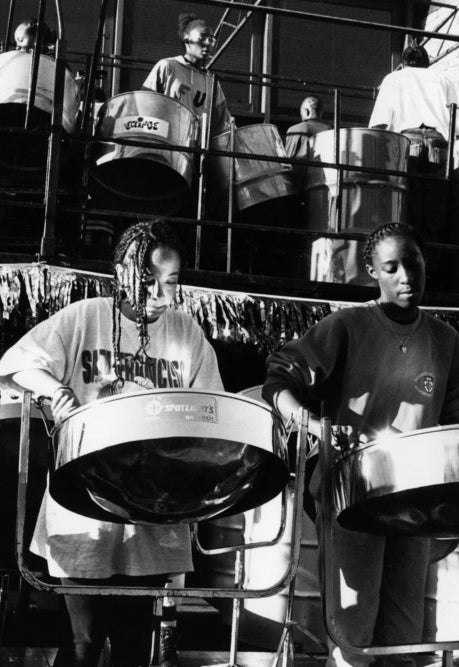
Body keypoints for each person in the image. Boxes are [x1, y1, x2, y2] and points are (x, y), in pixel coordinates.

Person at [0, 219, 224, 667]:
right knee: (83, 645)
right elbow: (19, 363)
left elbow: (210, 408)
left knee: (135, 646)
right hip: (87, 500)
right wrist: (56, 390)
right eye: (149, 281)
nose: (161, 294)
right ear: (121, 272)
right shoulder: (87, 316)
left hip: (153, 507)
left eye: (172, 282)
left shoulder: (187, 332)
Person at [262, 222, 459, 667]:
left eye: (414, 263)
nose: (406, 276)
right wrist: (314, 425)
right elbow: (279, 381)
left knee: (405, 640)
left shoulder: (446, 341)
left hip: (414, 502)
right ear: (373, 271)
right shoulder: (347, 327)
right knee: (354, 637)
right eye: (391, 267)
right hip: (353, 496)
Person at [369, 43, 457, 248]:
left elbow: (379, 124)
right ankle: (431, 268)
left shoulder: (394, 79)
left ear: (403, 64)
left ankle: (411, 259)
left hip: (408, 143)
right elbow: (456, 123)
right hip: (439, 143)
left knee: (408, 207)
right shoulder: (443, 80)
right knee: (435, 211)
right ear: (427, 64)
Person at [142, 13, 231, 137]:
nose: (207, 43)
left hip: (197, 151)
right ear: (187, 40)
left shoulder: (212, 82)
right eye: (202, 37)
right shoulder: (168, 66)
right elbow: (143, 104)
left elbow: (222, 125)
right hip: (165, 143)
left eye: (211, 39)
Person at [284, 95, 332, 184]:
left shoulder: (295, 129)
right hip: (324, 182)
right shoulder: (330, 130)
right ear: (321, 112)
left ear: (306, 111)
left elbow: (287, 162)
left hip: (300, 183)